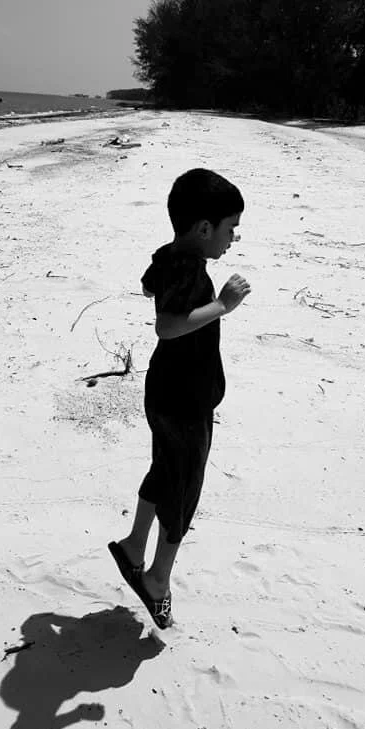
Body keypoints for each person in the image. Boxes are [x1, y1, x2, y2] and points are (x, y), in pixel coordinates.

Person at [109, 168, 250, 628]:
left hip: (166, 391)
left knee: (164, 468)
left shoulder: (171, 256)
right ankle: (157, 579)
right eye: (230, 228)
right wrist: (222, 305)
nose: (233, 238)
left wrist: (163, 286)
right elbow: (167, 325)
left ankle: (134, 545)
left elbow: (150, 283)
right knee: (184, 488)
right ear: (204, 228)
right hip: (185, 398)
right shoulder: (189, 269)